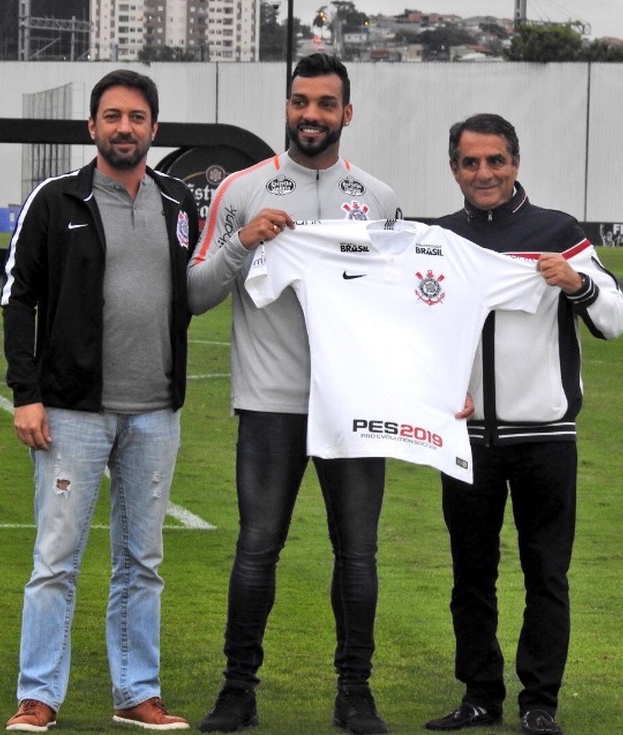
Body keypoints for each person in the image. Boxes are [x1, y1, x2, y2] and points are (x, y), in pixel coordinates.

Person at [187, 53, 400, 735]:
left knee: (358, 554)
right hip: (271, 404)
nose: (312, 115)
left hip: (354, 409)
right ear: (288, 107)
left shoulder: (379, 198)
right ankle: (237, 689)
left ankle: (355, 692)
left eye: (326, 103)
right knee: (257, 548)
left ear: (347, 112)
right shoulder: (244, 191)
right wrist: (242, 244)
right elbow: (194, 294)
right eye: (301, 102)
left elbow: (403, 309)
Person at [0, 69, 200, 733]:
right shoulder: (55, 202)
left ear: (153, 128)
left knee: (142, 562)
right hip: (70, 413)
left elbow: (185, 294)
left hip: (155, 413)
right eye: (111, 116)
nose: (124, 127)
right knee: (55, 561)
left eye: (136, 117)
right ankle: (38, 696)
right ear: (92, 127)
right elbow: (16, 297)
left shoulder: (177, 203)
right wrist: (27, 395)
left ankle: (136, 692)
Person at [424, 113, 623, 735]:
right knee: (470, 576)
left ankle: (540, 702)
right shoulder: (439, 237)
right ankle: (480, 695)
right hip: (465, 438)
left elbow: (615, 319)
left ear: (516, 162)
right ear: (454, 167)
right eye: (469, 162)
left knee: (546, 573)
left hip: (545, 436)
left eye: (495, 161)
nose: (483, 173)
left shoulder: (557, 231)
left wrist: (578, 282)